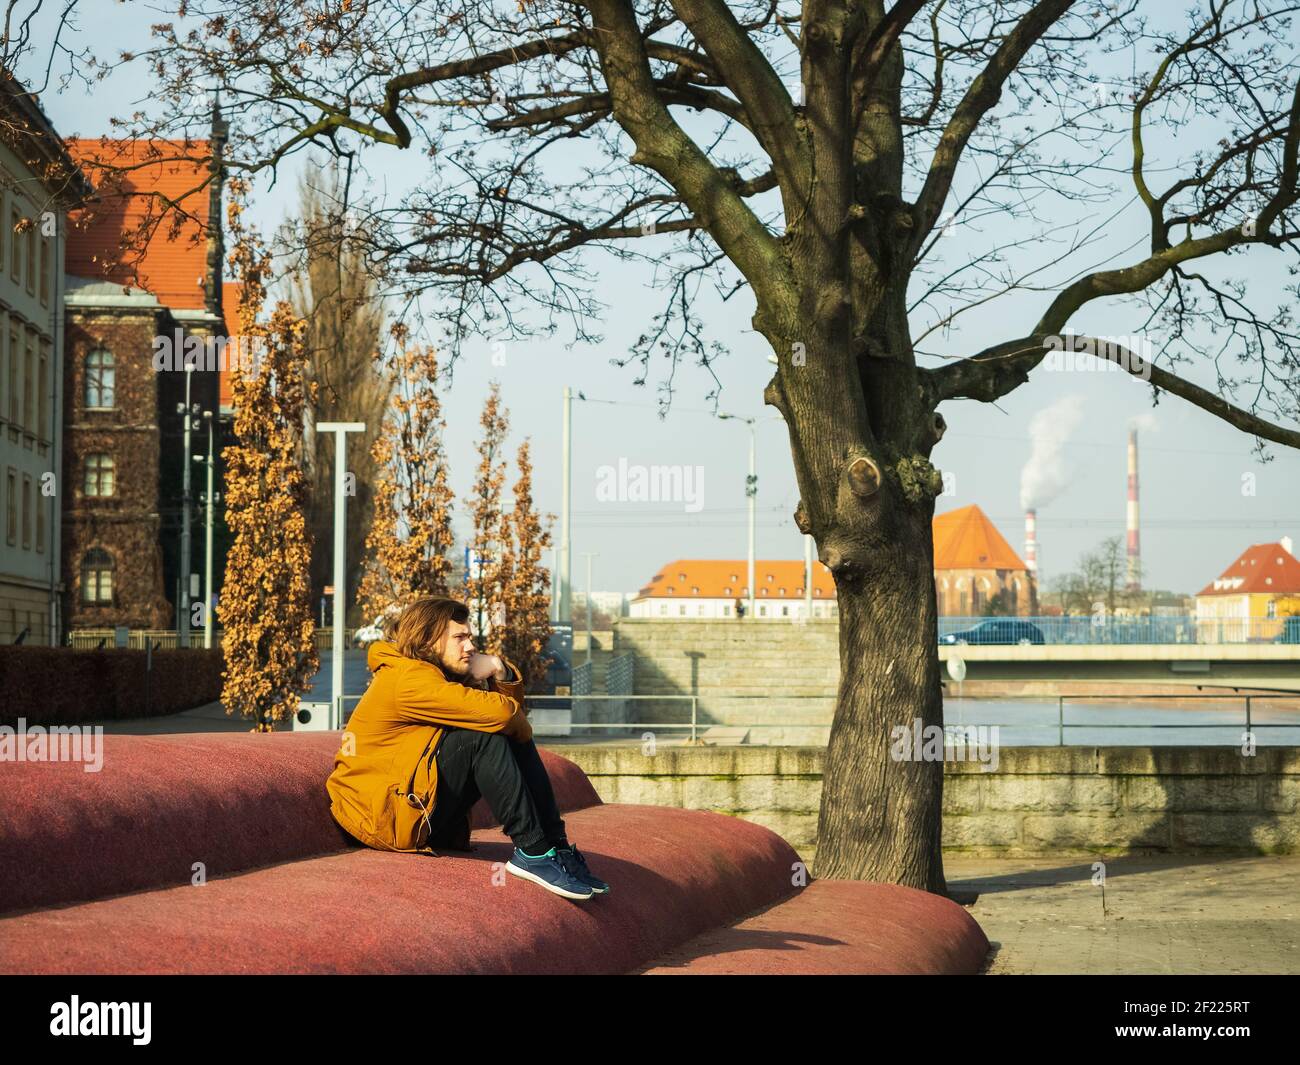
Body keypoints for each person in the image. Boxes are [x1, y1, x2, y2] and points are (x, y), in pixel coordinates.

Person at [325, 595, 609, 901]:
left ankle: (557, 848)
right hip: (383, 816)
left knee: (500, 734)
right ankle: (534, 850)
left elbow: (509, 718)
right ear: (428, 639)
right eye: (460, 637)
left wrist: (501, 675)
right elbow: (505, 715)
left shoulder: (437, 676)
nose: (471, 646)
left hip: (411, 803)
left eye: (470, 637)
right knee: (485, 737)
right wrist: (499, 671)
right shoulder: (407, 679)